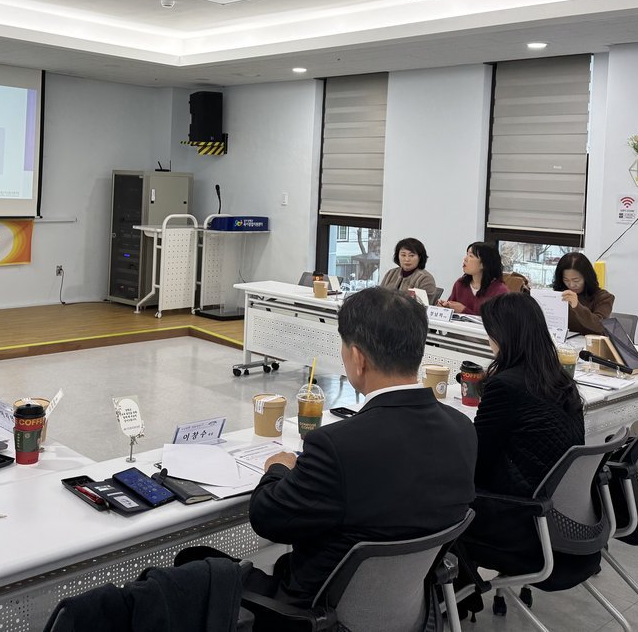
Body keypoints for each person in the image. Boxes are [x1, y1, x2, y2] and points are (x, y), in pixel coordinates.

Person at [247, 286, 476, 606]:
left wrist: (277, 468)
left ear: (357, 358)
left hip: (319, 610)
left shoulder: (337, 446)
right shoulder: (462, 429)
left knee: (198, 563)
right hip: (408, 605)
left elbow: (267, 518)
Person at [456, 293, 585, 613]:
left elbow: (477, 463)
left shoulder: (506, 386)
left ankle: (455, 601)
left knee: (439, 498)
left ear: (503, 335)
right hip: (567, 523)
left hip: (524, 525)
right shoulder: (560, 379)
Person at [552, 252, 615, 335]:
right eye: (566, 280)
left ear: (586, 277)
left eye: (576, 280)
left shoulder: (604, 297)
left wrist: (577, 306)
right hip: (565, 341)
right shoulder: (560, 295)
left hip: (591, 342)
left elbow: (599, 326)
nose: (571, 285)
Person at [438, 242, 509, 315]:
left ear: (484, 264)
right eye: (467, 254)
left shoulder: (500, 291)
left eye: (471, 256)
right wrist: (445, 307)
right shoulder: (460, 284)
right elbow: (450, 310)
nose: (465, 259)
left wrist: (464, 311)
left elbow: (499, 320)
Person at [378, 237, 439, 301]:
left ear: (420, 257)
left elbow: (424, 304)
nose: (407, 259)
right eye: (403, 255)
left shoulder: (425, 278)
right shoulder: (391, 273)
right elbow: (379, 296)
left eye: (411, 255)